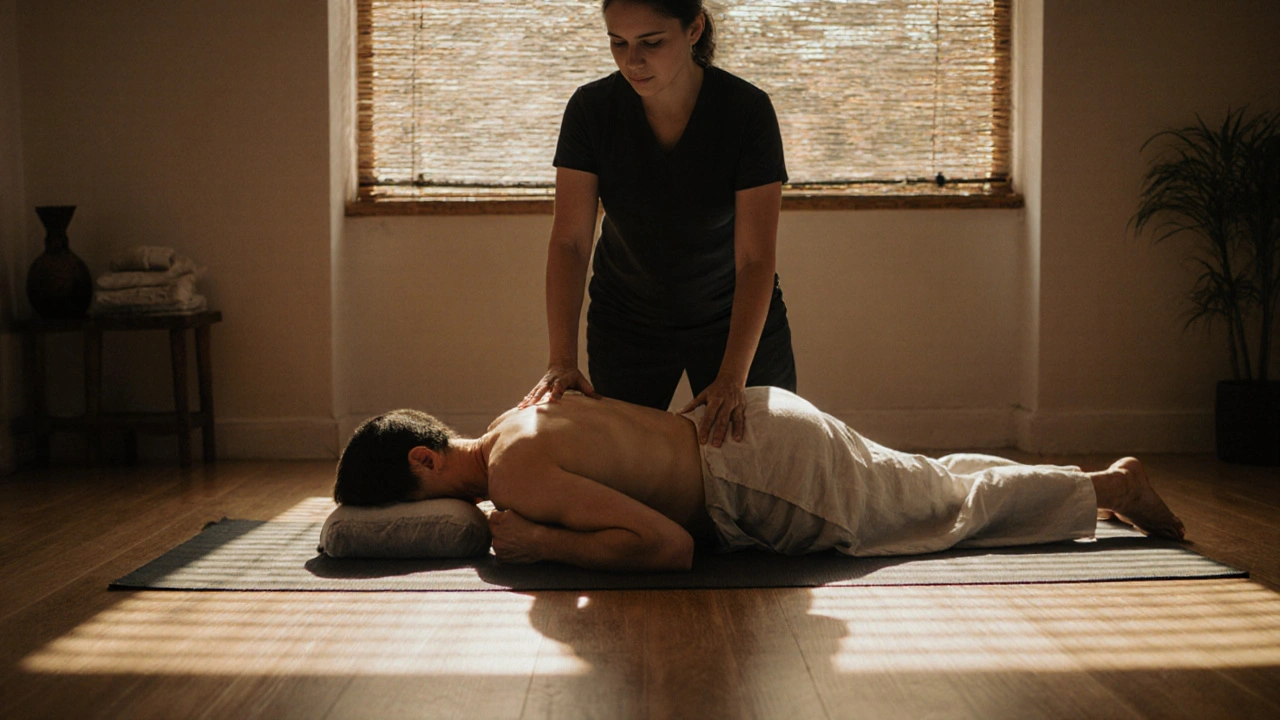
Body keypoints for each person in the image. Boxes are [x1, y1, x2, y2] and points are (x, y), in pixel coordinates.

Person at [333, 388, 1186, 573]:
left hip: (758, 471)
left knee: (936, 511)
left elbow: (667, 549)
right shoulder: (520, 415)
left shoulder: (517, 474)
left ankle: (1110, 487)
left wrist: (536, 542)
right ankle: (1094, 484)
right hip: (749, 418)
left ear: (425, 462)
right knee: (918, 479)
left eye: (415, 503)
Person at [522, 0, 797, 448]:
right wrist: (561, 360)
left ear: (694, 30)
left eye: (651, 42)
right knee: (624, 468)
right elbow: (571, 243)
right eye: (618, 42)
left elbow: (755, 259)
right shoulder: (592, 109)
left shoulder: (746, 111)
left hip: (733, 315)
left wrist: (732, 376)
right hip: (627, 319)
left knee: (770, 464)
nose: (633, 60)